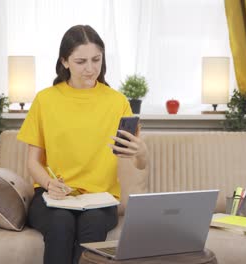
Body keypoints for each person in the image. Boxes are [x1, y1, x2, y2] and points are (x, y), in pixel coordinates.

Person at [17, 25, 148, 264]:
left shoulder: (117, 102)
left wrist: (142, 152)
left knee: (94, 224)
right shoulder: (45, 100)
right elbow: (33, 162)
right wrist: (48, 184)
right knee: (60, 222)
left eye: (96, 60)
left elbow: (139, 161)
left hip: (101, 199)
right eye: (81, 61)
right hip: (52, 196)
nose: (90, 69)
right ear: (65, 62)